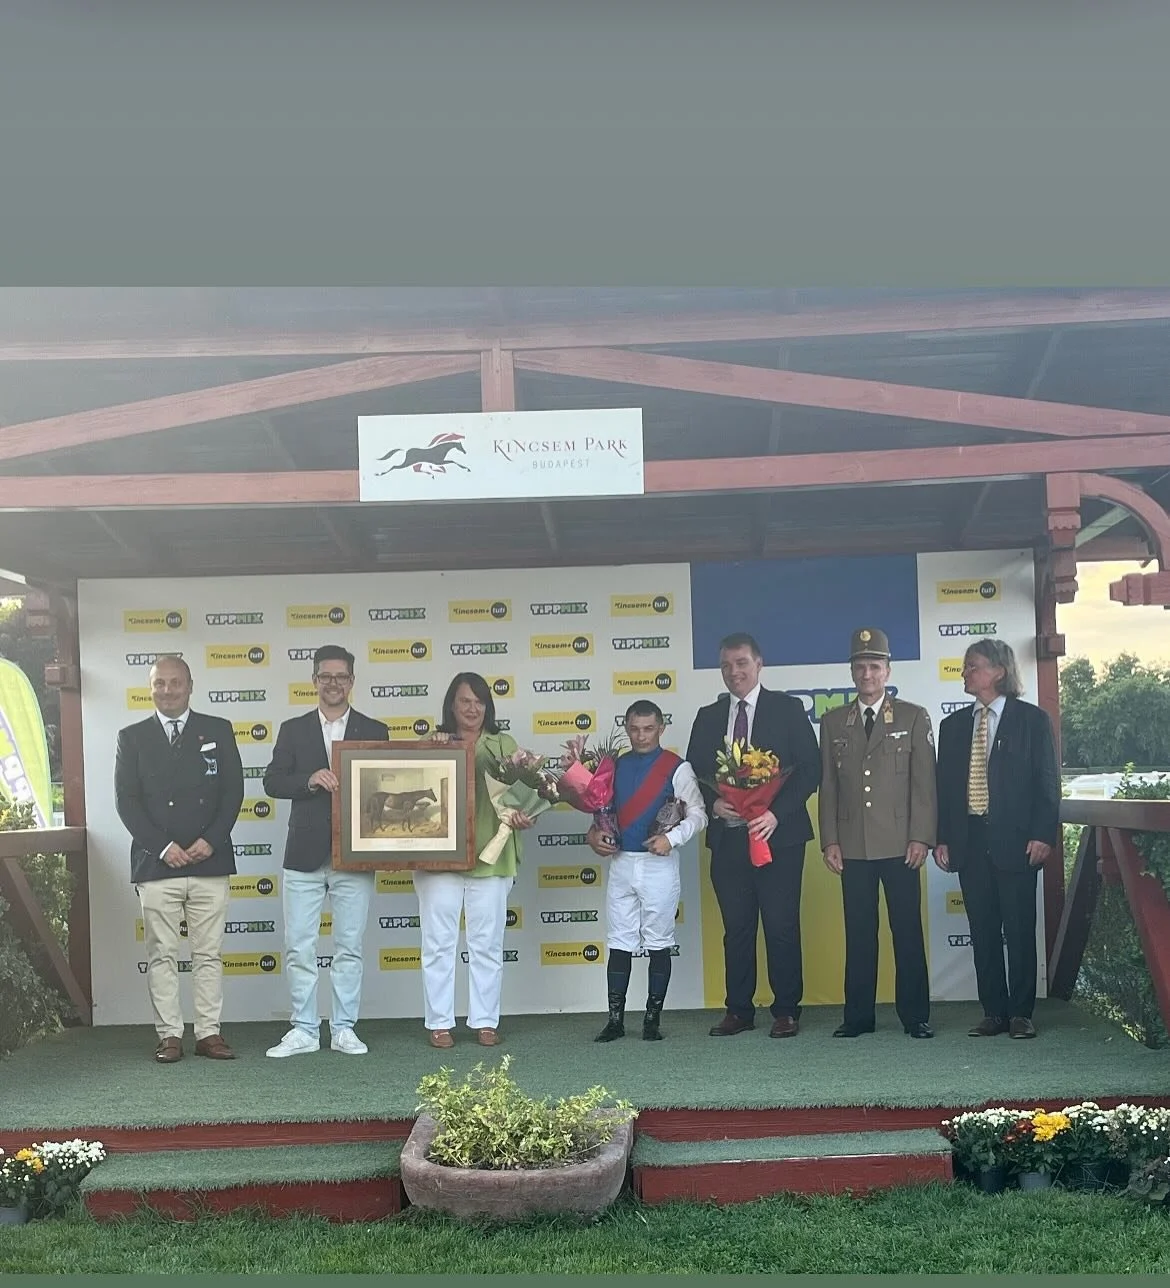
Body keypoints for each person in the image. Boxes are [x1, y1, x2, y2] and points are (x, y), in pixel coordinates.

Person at [685, 631, 821, 1038]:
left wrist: (775, 814)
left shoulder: (788, 709)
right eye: (726, 665)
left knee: (781, 926)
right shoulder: (708, 716)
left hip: (779, 840)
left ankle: (786, 1010)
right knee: (738, 928)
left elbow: (810, 769)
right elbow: (693, 774)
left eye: (741, 663)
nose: (734, 672)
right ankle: (739, 1010)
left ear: (759, 664)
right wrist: (713, 803)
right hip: (729, 841)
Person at [114, 655, 244, 1063]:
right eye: (160, 683)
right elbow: (126, 802)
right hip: (157, 864)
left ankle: (208, 1033)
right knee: (162, 954)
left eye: (175, 682)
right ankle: (169, 1035)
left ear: (190, 686)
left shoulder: (218, 729)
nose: (167, 690)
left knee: (208, 954)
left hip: (210, 860)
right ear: (150, 688)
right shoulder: (131, 736)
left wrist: (212, 839)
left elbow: (233, 791)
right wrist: (163, 847)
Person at [262, 645, 388, 1057]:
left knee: (349, 946)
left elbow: (385, 786)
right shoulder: (293, 729)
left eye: (341, 676)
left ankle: (344, 1028)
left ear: (352, 681)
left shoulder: (375, 730)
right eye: (326, 676)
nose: (334, 683)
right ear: (314, 680)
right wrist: (309, 779)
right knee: (300, 946)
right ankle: (303, 1028)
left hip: (356, 854)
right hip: (304, 854)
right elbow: (272, 782)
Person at [934, 638, 1060, 1040]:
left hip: (1018, 842)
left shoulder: (1032, 720)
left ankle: (1021, 1013)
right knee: (983, 930)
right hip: (969, 841)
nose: (965, 672)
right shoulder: (953, 726)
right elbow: (944, 791)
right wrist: (941, 838)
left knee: (1019, 930)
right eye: (965, 666)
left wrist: (1043, 834)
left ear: (999, 671)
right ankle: (994, 1012)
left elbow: (1047, 783)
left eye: (973, 666)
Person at [818, 627, 936, 1040]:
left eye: (874, 666)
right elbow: (829, 786)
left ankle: (915, 1016)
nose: (866, 674)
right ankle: (858, 1017)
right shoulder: (834, 721)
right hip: (852, 845)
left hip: (902, 844)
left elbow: (924, 784)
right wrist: (830, 839)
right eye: (860, 667)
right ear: (851, 671)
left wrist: (921, 836)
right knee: (859, 933)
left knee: (907, 931)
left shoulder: (912, 716)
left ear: (887, 671)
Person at [418, 672, 537, 1049]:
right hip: (439, 861)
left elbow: (523, 796)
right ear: (451, 706)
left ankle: (486, 1021)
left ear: (488, 706)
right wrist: (431, 749)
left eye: (479, 701)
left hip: (492, 857)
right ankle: (439, 1022)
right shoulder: (432, 742)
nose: (472, 709)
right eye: (465, 701)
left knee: (487, 943)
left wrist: (525, 814)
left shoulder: (505, 745)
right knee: (438, 943)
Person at [586, 700, 708, 1042]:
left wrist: (672, 838)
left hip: (659, 865)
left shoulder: (677, 768)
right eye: (635, 729)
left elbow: (699, 814)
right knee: (619, 942)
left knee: (659, 943)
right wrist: (594, 836)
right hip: (621, 862)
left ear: (661, 728)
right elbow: (600, 815)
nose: (641, 736)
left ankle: (652, 1021)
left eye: (649, 729)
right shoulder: (614, 766)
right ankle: (615, 1021)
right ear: (626, 727)